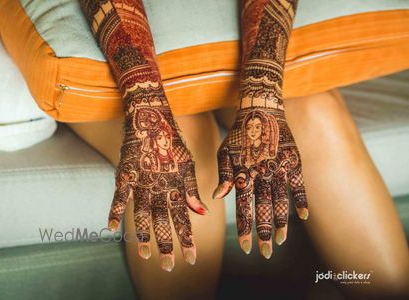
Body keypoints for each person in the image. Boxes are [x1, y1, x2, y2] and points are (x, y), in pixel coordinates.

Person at [70, 0, 409, 298]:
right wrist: (146, 103)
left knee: (315, 114)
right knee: (182, 150)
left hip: (212, 42)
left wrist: (262, 89)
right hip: (101, 51)